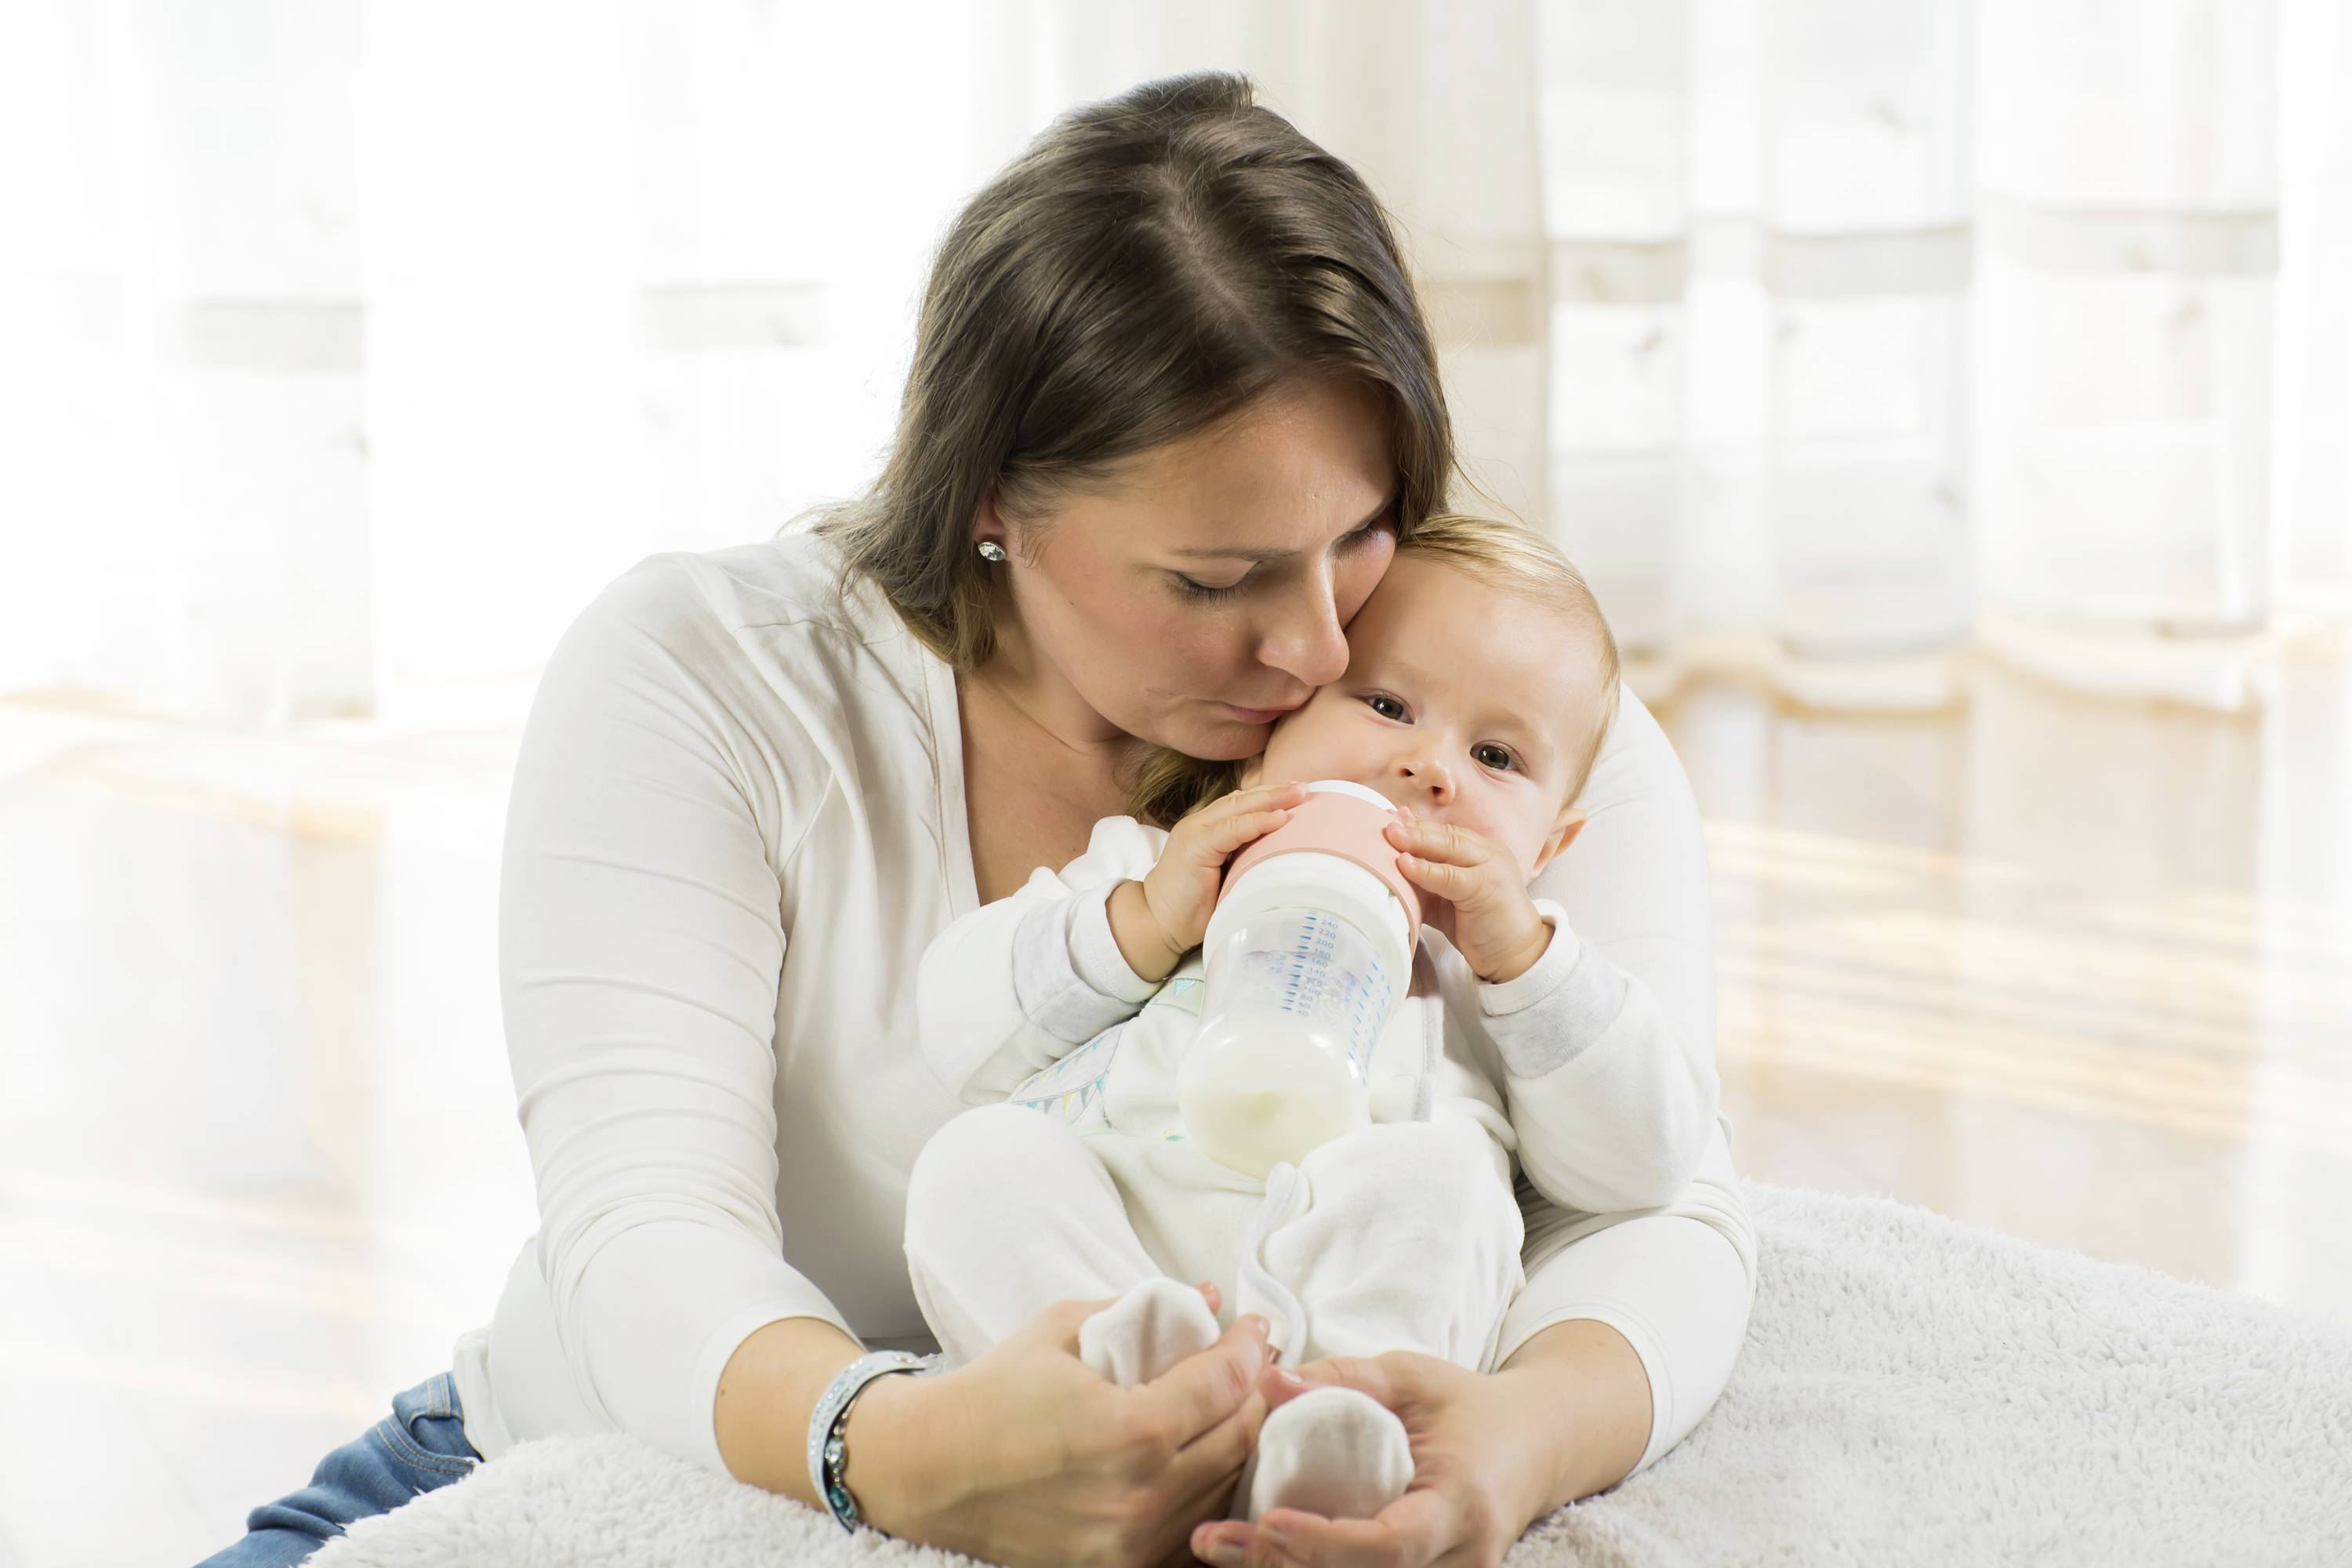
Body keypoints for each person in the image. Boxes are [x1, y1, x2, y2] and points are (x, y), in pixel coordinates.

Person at [198, 69, 1755, 1568]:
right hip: (608, 1455)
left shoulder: (1493, 728)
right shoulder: (714, 680)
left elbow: (1678, 1197)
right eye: (1216, 581)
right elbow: (643, 1231)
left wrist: (1524, 1439)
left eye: (1358, 537)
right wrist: (909, 1450)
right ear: (992, 501)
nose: (1319, 649)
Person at [904, 514, 1723, 1530]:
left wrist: (1525, 959)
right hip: (1131, 1241)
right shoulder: (1157, 868)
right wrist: (1145, 920)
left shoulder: (1496, 972)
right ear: (1269, 740)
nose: (1432, 769)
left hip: (1352, 1289)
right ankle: (1121, 1392)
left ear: (1550, 844)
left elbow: (1642, 1166)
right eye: (1386, 705)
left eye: (1498, 756)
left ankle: (1334, 1427)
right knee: (973, 1160)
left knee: (1442, 1181)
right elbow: (958, 1025)